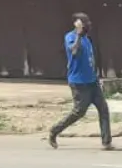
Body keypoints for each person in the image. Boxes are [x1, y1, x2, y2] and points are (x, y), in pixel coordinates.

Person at [48, 12, 113, 150]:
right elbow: (74, 52)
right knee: (79, 112)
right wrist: (78, 33)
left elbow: (90, 60)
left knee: (103, 109)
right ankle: (54, 131)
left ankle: (106, 142)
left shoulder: (87, 40)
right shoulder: (71, 37)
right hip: (79, 83)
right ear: (77, 25)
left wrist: (96, 76)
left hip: (92, 82)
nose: (88, 26)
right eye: (84, 24)